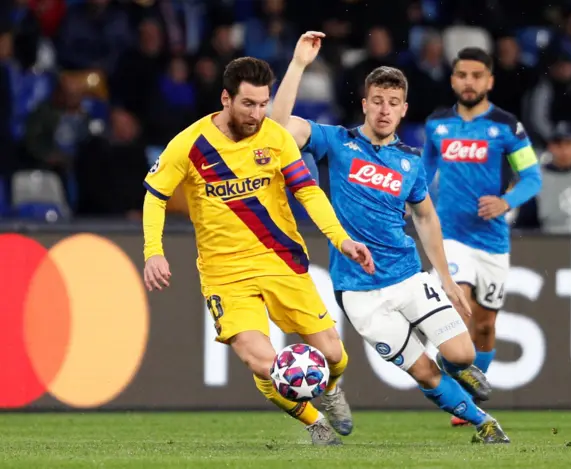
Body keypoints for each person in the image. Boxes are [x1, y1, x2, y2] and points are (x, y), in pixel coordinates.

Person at [272, 32, 509, 444]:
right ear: (365, 104)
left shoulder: (410, 162)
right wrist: (298, 66)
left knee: (462, 355)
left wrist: (447, 280)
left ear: (403, 110)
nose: (384, 110)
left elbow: (426, 219)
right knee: (423, 371)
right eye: (377, 101)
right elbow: (276, 129)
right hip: (360, 292)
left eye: (392, 103)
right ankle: (483, 423)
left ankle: (459, 369)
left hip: (407, 276)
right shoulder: (337, 142)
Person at [142, 56, 374, 446]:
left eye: (264, 103)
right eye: (248, 104)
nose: (257, 113)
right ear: (225, 99)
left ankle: (331, 391)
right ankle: (315, 423)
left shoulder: (275, 137)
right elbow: (156, 196)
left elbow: (307, 191)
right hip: (225, 274)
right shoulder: (190, 143)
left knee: (334, 354)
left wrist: (341, 238)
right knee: (262, 363)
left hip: (280, 260)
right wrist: (153, 251)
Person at [423, 47, 542, 426]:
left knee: (486, 325)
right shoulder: (436, 125)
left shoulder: (507, 127)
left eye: (477, 75)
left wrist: (505, 203)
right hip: (450, 236)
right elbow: (422, 178)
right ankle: (459, 395)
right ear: (453, 79)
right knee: (461, 305)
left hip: (492, 241)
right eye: (462, 74)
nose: (469, 82)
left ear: (489, 81)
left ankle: (472, 394)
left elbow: (533, 178)